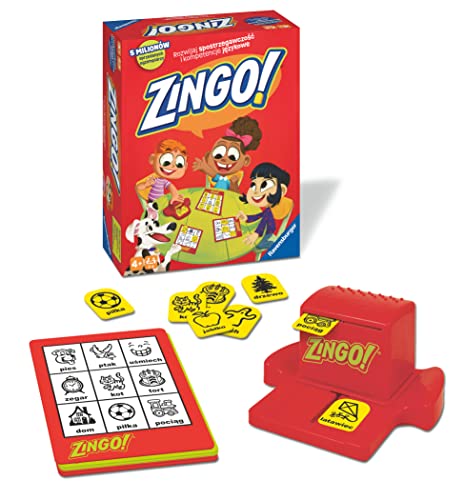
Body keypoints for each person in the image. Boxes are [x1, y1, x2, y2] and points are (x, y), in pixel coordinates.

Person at [193, 116, 262, 192]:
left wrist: (207, 170)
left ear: (246, 160)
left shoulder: (236, 177)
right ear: (208, 156)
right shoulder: (209, 175)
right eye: (218, 154)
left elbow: (225, 184)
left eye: (232, 156)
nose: (224, 158)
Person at [236, 162, 290, 250]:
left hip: (267, 233)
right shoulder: (267, 210)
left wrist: (256, 234)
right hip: (264, 228)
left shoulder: (269, 211)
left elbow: (263, 220)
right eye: (253, 185)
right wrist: (247, 218)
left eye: (265, 185)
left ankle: (273, 243)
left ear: (282, 190)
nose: (256, 191)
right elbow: (260, 216)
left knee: (257, 245)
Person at [136, 139, 188, 205]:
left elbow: (170, 186)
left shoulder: (163, 181)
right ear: (152, 159)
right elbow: (138, 188)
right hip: (152, 202)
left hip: (161, 201)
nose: (173, 165)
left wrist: (175, 196)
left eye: (179, 163)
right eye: (166, 161)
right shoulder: (153, 178)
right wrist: (146, 185)